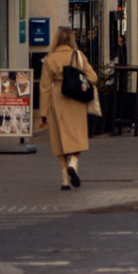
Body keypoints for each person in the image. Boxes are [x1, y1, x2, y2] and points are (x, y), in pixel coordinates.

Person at [40, 27, 99, 190]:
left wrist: (43, 114)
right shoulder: (79, 56)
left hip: (57, 99)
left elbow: (44, 88)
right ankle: (74, 162)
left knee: (60, 140)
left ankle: (65, 180)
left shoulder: (50, 58)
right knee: (77, 136)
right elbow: (94, 77)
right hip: (76, 99)